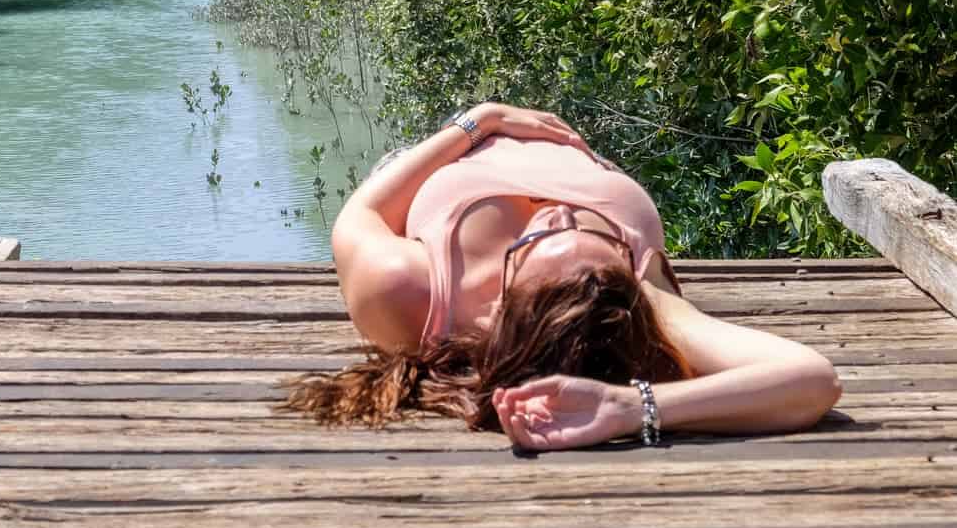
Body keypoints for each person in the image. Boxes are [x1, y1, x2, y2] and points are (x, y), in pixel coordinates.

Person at [283, 102, 842, 451]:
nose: (556, 209)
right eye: (595, 234)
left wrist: (479, 122)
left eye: (540, 238)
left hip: (432, 166)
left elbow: (363, 215)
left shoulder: (415, 289)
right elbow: (813, 377)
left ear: (509, 300)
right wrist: (643, 404)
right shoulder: (633, 295)